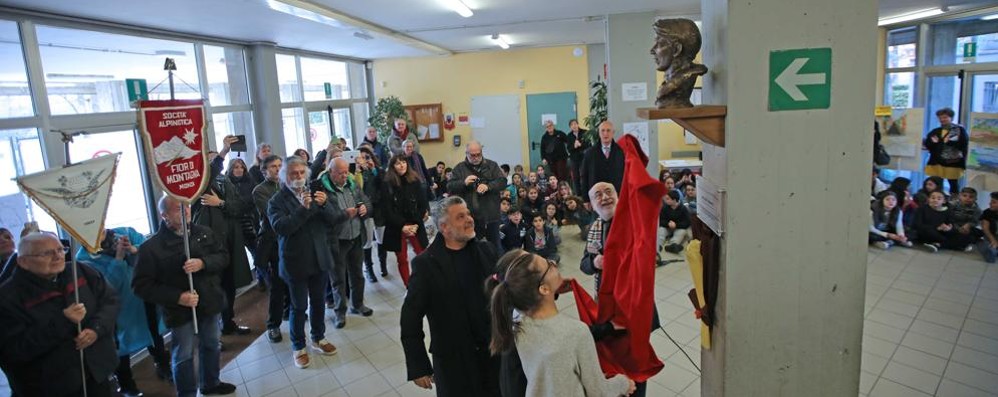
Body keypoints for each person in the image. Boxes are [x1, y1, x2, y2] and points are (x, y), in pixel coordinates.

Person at [487, 250, 636, 397]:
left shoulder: (516, 320)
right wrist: (623, 383)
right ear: (543, 288)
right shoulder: (576, 332)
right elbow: (598, 391)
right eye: (548, 265)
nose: (553, 263)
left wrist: (551, 291)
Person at [133, 196, 236, 397]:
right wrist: (177, 297)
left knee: (212, 343)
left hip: (209, 301)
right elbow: (141, 286)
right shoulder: (151, 248)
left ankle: (211, 383)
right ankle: (187, 393)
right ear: (164, 216)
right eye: (178, 209)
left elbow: (223, 256)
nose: (186, 211)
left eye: (187, 206)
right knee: (183, 354)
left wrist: (203, 263)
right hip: (179, 310)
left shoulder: (204, 233)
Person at [401, 196, 500, 396]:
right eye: (461, 217)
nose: (469, 219)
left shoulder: (486, 250)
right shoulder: (426, 264)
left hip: (492, 352)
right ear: (444, 227)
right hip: (454, 361)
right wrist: (418, 365)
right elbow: (410, 317)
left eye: (469, 214)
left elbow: (510, 286)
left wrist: (544, 285)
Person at [0, 233, 119, 397]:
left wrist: (96, 329)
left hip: (97, 372)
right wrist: (63, 322)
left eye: (60, 249)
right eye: (46, 253)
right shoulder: (7, 298)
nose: (57, 256)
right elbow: (13, 350)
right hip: (50, 386)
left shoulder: (80, 271)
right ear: (23, 262)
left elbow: (110, 301)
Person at [268, 155, 342, 368]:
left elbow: (334, 218)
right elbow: (282, 228)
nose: (299, 177)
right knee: (299, 306)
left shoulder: (315, 191)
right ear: (285, 177)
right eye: (294, 174)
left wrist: (326, 203)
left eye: (302, 173)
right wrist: (302, 208)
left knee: (318, 301)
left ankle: (318, 337)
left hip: (319, 257)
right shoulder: (277, 201)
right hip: (295, 262)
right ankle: (298, 346)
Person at [76, 227, 152, 397]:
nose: (99, 231)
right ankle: (127, 387)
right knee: (120, 349)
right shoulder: (82, 260)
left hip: (139, 298)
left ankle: (163, 365)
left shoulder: (124, 233)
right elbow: (108, 285)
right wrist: (118, 258)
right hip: (114, 311)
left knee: (153, 335)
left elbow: (149, 250)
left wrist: (134, 249)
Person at [193, 144, 252, 336]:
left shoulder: (226, 181)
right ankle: (213, 332)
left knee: (229, 284)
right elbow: (209, 174)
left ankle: (228, 322)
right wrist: (223, 152)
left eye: (214, 159)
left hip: (230, 240)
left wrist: (221, 203)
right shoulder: (197, 185)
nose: (213, 163)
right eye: (209, 160)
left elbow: (240, 206)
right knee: (211, 288)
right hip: (209, 246)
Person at [320, 157, 373, 328]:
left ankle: (357, 305)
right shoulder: (323, 190)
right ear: (331, 172)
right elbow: (326, 216)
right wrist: (345, 214)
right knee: (338, 279)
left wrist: (365, 208)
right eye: (341, 173)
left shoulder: (352, 184)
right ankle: (340, 313)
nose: (345, 176)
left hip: (356, 235)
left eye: (346, 172)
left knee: (357, 274)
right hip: (337, 240)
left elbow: (366, 201)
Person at [252, 155, 289, 343]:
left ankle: (289, 311)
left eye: (279, 165)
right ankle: (273, 324)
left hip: (290, 239)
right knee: (277, 286)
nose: (277, 169)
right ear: (264, 171)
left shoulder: (287, 184)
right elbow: (272, 213)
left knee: (292, 279)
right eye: (273, 166)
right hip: (272, 242)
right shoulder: (260, 190)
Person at [382, 154, 430, 286]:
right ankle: (408, 286)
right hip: (397, 226)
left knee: (422, 255)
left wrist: (415, 223)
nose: (402, 165)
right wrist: (402, 226)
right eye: (398, 163)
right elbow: (388, 210)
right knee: (402, 258)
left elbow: (422, 203)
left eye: (403, 162)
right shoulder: (388, 184)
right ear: (393, 167)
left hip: (415, 223)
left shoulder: (415, 180)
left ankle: (424, 283)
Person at [448, 141, 506, 250]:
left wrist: (489, 186)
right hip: (470, 217)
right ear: (466, 153)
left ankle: (496, 267)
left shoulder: (492, 165)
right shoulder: (459, 168)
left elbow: (502, 181)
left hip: (491, 216)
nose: (475, 157)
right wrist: (463, 183)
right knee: (471, 248)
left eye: (478, 154)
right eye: (472, 155)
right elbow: (450, 186)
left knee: (495, 247)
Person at [227, 157, 263, 289]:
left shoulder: (250, 182)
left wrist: (238, 204)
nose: (239, 169)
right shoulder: (226, 183)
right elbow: (230, 205)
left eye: (241, 167)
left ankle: (261, 278)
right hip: (234, 224)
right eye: (236, 167)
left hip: (250, 222)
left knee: (257, 253)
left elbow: (251, 200)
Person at [355, 146, 386, 282]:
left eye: (366, 157)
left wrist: (374, 169)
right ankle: (369, 269)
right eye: (361, 157)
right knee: (367, 241)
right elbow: (357, 189)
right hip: (366, 210)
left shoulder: (377, 170)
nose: (364, 160)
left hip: (379, 208)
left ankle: (383, 266)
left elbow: (384, 184)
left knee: (381, 239)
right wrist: (357, 170)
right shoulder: (355, 173)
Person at [924, 107, 968, 195]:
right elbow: (928, 144)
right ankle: (936, 198)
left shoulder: (957, 129)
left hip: (952, 162)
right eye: (940, 118)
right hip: (937, 161)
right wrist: (934, 142)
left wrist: (946, 142)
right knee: (936, 183)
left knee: (953, 184)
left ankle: (954, 201)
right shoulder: (936, 131)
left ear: (951, 118)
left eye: (945, 117)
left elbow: (962, 144)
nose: (942, 119)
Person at [580, 121, 625, 205]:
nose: (605, 133)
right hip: (597, 198)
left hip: (617, 198)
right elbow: (584, 176)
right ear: (599, 133)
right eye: (603, 131)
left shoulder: (621, 152)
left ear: (613, 133)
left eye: (608, 130)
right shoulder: (590, 153)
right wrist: (586, 199)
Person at [565, 119, 591, 195]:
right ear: (570, 127)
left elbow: (589, 145)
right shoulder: (569, 136)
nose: (574, 126)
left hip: (584, 157)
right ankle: (578, 194)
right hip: (574, 158)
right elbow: (569, 149)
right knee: (575, 177)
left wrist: (580, 145)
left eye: (575, 124)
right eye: (572, 125)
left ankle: (585, 193)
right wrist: (574, 146)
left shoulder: (585, 132)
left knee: (584, 175)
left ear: (578, 124)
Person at [978, 192, 998, 263]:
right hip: (990, 236)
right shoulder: (987, 212)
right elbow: (985, 228)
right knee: (987, 245)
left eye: (994, 202)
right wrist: (993, 240)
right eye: (990, 201)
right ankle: (991, 252)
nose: (990, 204)